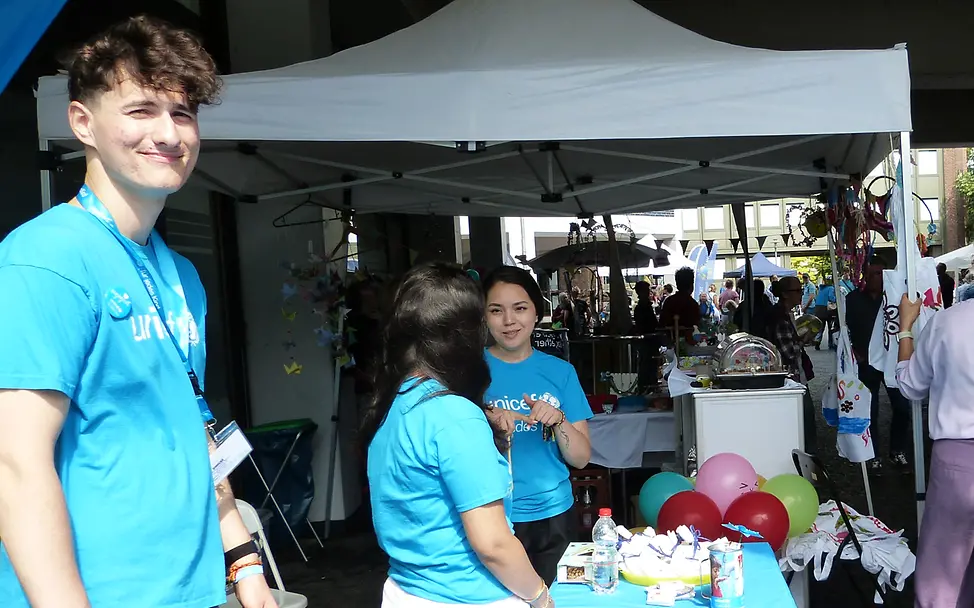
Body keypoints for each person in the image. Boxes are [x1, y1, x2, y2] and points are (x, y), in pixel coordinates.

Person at [0, 16, 277, 608]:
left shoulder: (183, 276)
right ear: (83, 123)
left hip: (195, 589)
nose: (169, 133)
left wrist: (245, 565)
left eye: (182, 114)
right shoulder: (44, 258)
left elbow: (197, 436)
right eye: (140, 110)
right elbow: (14, 464)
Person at [365, 263, 552, 608]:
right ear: (463, 336)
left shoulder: (395, 403)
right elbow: (493, 544)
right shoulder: (454, 414)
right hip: (468, 597)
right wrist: (539, 595)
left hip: (405, 591)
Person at [482, 266, 593, 585]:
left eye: (520, 308)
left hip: (553, 518)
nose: (508, 321)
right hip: (490, 518)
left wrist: (558, 420)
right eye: (496, 310)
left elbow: (581, 458)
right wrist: (487, 424)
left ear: (536, 313)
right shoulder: (470, 374)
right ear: (485, 316)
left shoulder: (561, 373)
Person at [896, 288, 974, 607]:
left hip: (957, 459)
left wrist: (905, 328)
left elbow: (910, 385)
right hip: (956, 457)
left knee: (943, 573)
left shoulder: (948, 321)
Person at [846, 259, 911, 473]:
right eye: (874, 273)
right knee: (869, 410)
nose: (880, 277)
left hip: (891, 360)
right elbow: (846, 328)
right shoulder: (853, 299)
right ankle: (873, 455)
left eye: (882, 273)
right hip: (867, 363)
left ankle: (897, 450)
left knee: (902, 406)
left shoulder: (893, 298)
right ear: (865, 275)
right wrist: (855, 352)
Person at [768, 277, 817, 450]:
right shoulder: (780, 317)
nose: (801, 294)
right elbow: (788, 352)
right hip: (791, 378)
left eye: (801, 290)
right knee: (805, 420)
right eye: (797, 291)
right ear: (784, 294)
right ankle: (807, 460)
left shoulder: (784, 313)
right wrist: (803, 340)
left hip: (794, 375)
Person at [659, 267, 702, 341]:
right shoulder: (692, 304)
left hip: (670, 343)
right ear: (691, 285)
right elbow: (699, 325)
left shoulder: (668, 301)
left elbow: (661, 324)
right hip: (690, 343)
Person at [811, 277, 837, 350]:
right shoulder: (831, 288)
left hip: (818, 309)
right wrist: (836, 299)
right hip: (827, 310)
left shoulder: (821, 289)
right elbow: (831, 297)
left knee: (820, 327)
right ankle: (831, 344)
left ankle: (817, 341)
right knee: (830, 327)